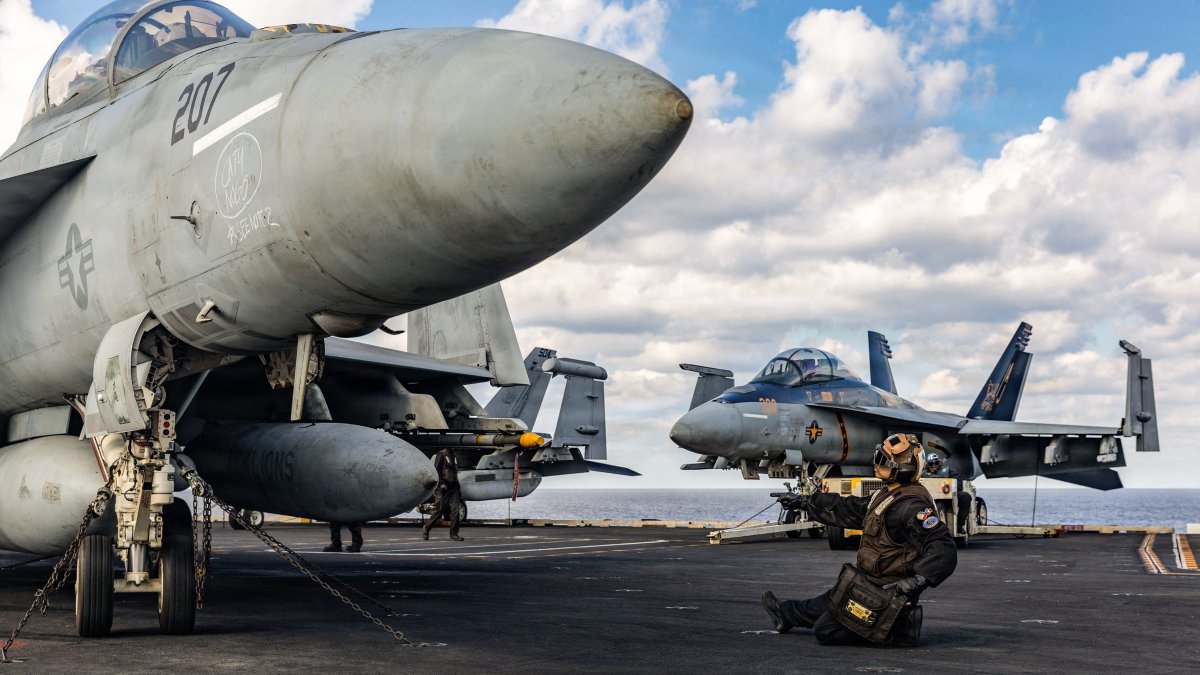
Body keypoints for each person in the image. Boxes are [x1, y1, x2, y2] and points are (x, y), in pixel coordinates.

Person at [762, 433, 957, 647]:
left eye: (882, 460)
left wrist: (917, 581)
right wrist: (805, 502)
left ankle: (900, 628)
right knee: (836, 597)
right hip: (870, 581)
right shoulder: (889, 494)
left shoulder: (911, 507)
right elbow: (850, 509)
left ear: (901, 468)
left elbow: (943, 548)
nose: (875, 464)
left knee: (825, 630)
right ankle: (786, 615)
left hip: (888, 591)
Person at [925, 452, 972, 537]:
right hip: (930, 498)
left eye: (936, 462)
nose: (934, 465)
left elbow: (958, 485)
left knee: (966, 496)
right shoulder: (923, 474)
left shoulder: (949, 471)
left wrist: (949, 487)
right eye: (931, 463)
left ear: (939, 462)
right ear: (927, 465)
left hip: (948, 498)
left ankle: (959, 524)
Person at [423, 448, 464, 541]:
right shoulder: (442, 455)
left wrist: (458, 487)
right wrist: (441, 484)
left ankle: (454, 533)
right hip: (442, 488)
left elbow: (454, 473)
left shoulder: (454, 456)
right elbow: (436, 471)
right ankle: (426, 528)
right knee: (439, 511)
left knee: (455, 511)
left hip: (453, 488)